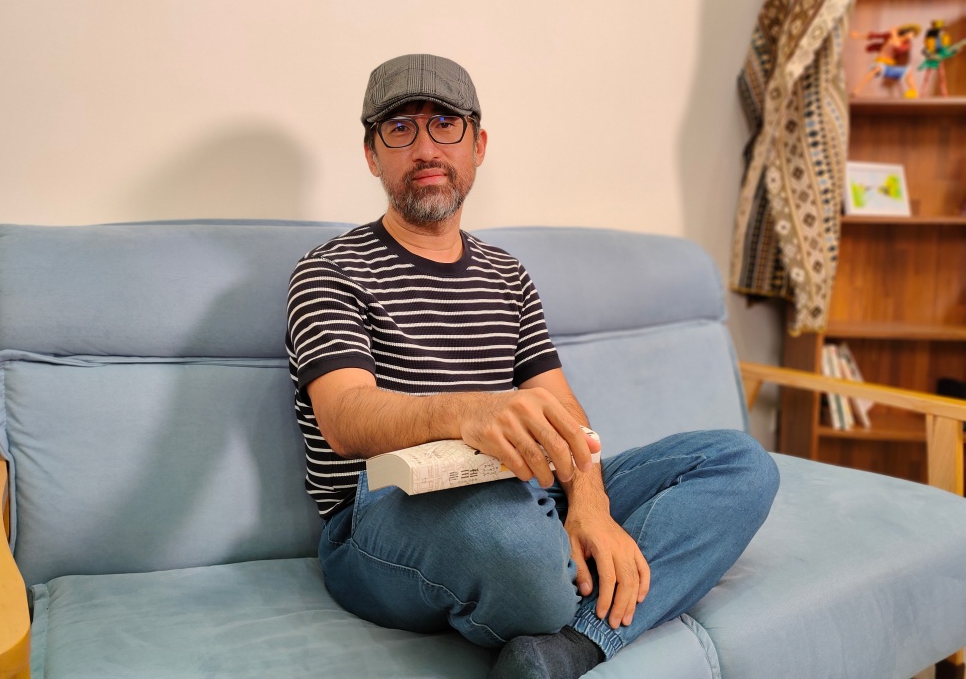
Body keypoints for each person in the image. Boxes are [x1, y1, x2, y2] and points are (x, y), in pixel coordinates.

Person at [286, 53, 780, 679]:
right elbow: (344, 418)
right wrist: (471, 413)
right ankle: (571, 585)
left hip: (524, 491)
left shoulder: (506, 274)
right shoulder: (329, 270)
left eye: (446, 124)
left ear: (478, 145)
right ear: (372, 155)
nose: (426, 148)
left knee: (740, 465)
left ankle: (570, 646)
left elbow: (562, 407)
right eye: (400, 128)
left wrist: (590, 504)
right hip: (386, 515)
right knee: (523, 555)